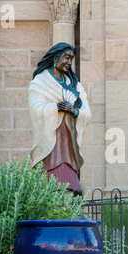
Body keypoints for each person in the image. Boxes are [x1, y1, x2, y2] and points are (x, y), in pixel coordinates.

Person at [28, 42, 92, 196]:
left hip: (68, 141)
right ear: (55, 57)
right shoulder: (40, 82)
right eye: (67, 57)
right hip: (51, 142)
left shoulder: (75, 85)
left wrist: (73, 111)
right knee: (50, 179)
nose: (69, 62)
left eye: (71, 59)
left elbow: (87, 113)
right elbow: (35, 109)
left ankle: (68, 199)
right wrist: (55, 107)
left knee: (70, 180)